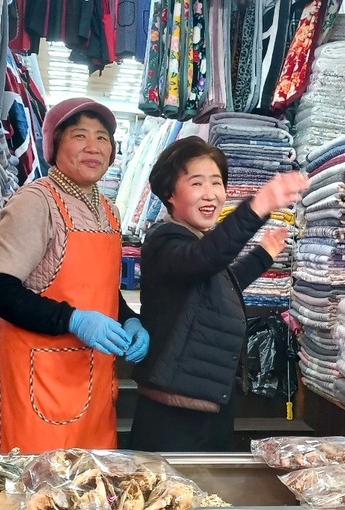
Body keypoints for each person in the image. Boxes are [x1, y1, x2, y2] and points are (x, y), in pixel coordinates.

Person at [0, 97, 148, 453]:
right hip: (41, 378)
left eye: (102, 138)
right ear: (54, 146)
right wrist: (71, 319)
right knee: (40, 492)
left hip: (95, 379)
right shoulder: (36, 202)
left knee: (92, 489)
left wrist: (130, 319)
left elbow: (103, 289)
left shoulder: (109, 210)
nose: (93, 147)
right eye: (79, 135)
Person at [129, 136, 308, 451]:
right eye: (196, 183)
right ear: (170, 193)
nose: (210, 194)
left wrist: (262, 256)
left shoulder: (196, 241)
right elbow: (203, 259)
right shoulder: (165, 240)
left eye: (217, 183)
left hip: (207, 403)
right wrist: (258, 205)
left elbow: (217, 285)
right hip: (172, 414)